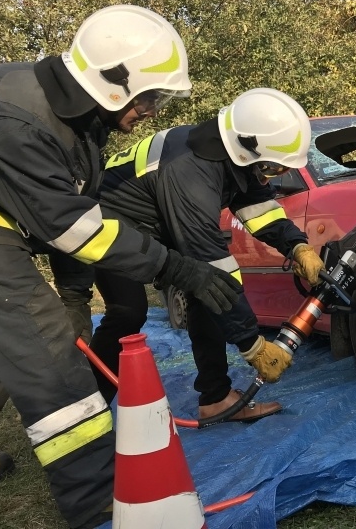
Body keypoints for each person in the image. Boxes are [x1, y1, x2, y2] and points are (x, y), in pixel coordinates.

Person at [0, 5, 241, 529]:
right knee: (41, 337)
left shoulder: (79, 121)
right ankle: (95, 496)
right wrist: (175, 268)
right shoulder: (18, 121)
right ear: (112, 84)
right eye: (149, 97)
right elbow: (73, 228)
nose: (152, 110)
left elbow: (77, 215)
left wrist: (74, 294)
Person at [80, 88, 325, 421]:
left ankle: (216, 398)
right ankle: (87, 410)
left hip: (154, 223)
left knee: (205, 297)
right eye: (273, 167)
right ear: (250, 150)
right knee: (128, 311)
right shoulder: (190, 170)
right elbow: (211, 261)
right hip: (107, 223)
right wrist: (251, 344)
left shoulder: (231, 157)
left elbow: (261, 210)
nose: (272, 175)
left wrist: (297, 246)